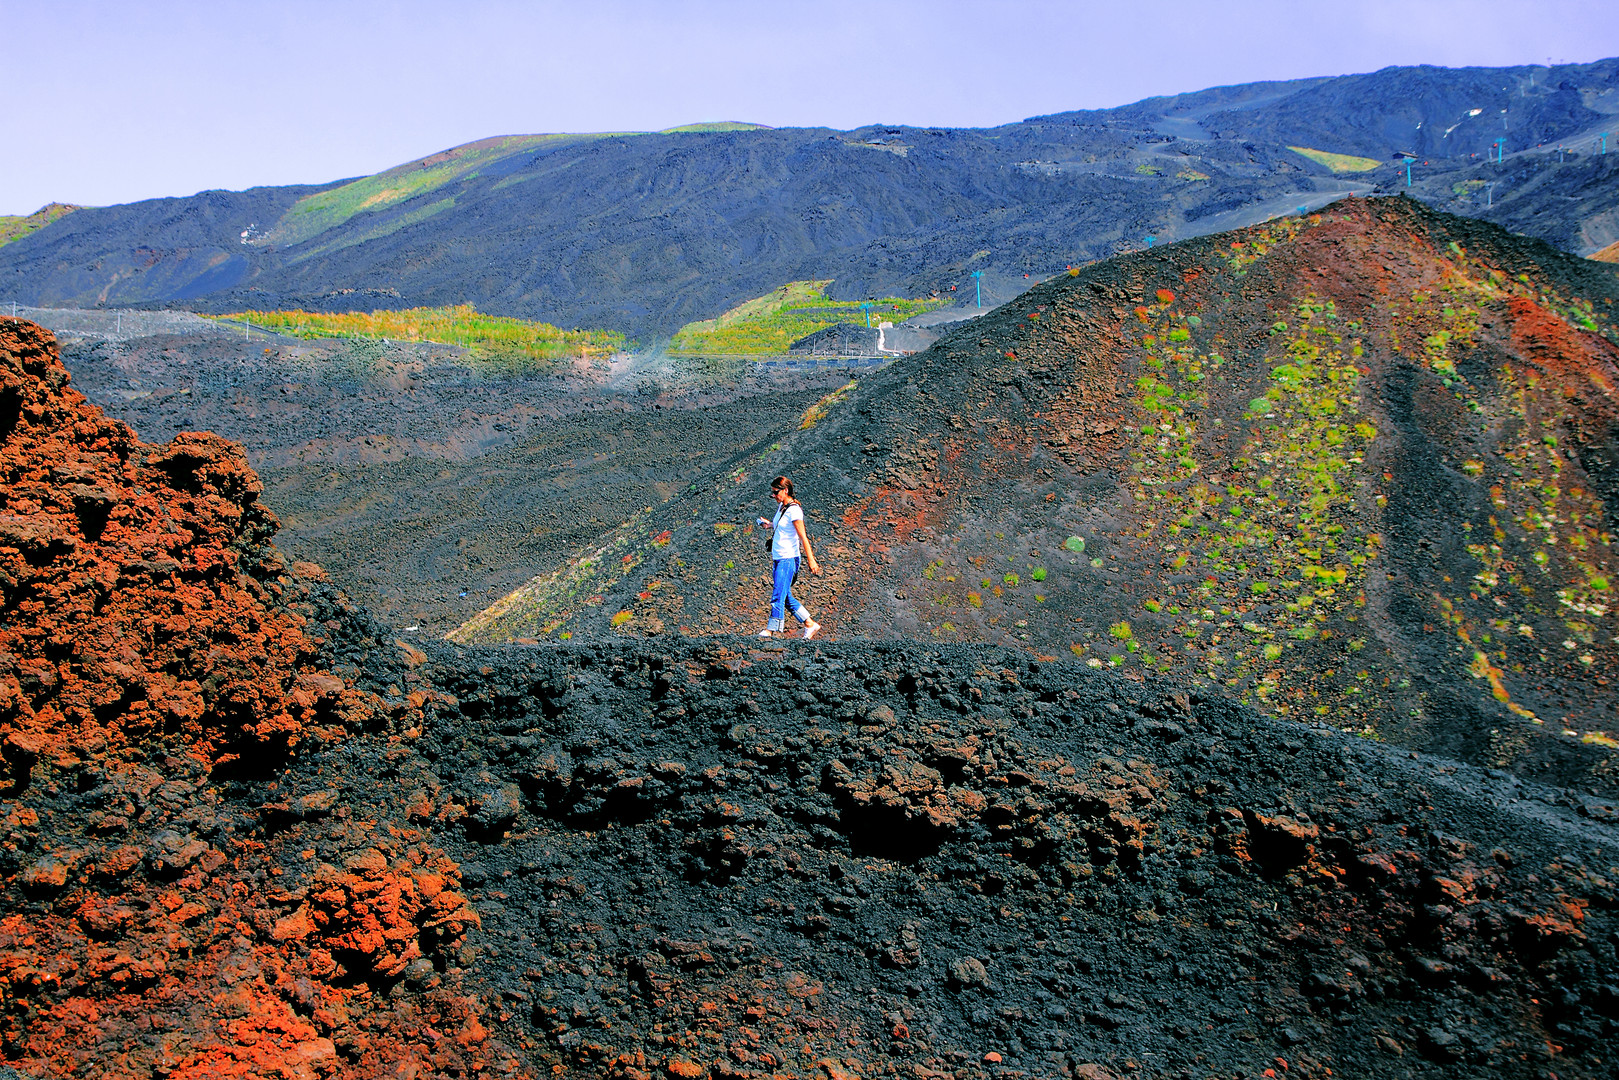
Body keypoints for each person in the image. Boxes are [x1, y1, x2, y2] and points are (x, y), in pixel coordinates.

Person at [755, 475, 821, 639]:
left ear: (785, 491)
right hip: (778, 558)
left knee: (778, 594)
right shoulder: (782, 508)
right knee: (785, 596)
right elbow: (781, 526)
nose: (774, 496)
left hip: (788, 559)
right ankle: (810, 624)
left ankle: (771, 629)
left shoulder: (794, 511)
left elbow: (803, 537)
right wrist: (769, 525)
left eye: (776, 492)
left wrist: (811, 560)